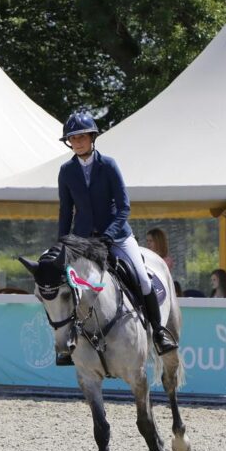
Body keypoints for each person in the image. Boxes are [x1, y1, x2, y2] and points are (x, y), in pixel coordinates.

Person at [57, 110, 177, 365]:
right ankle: (68, 341)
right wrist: (63, 243)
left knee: (142, 279)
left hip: (117, 236)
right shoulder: (66, 171)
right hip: (84, 241)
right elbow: (66, 211)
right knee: (65, 286)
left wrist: (109, 235)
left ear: (92, 137)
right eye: (73, 138)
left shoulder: (109, 165)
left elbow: (124, 207)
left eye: (82, 137)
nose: (77, 142)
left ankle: (158, 332)